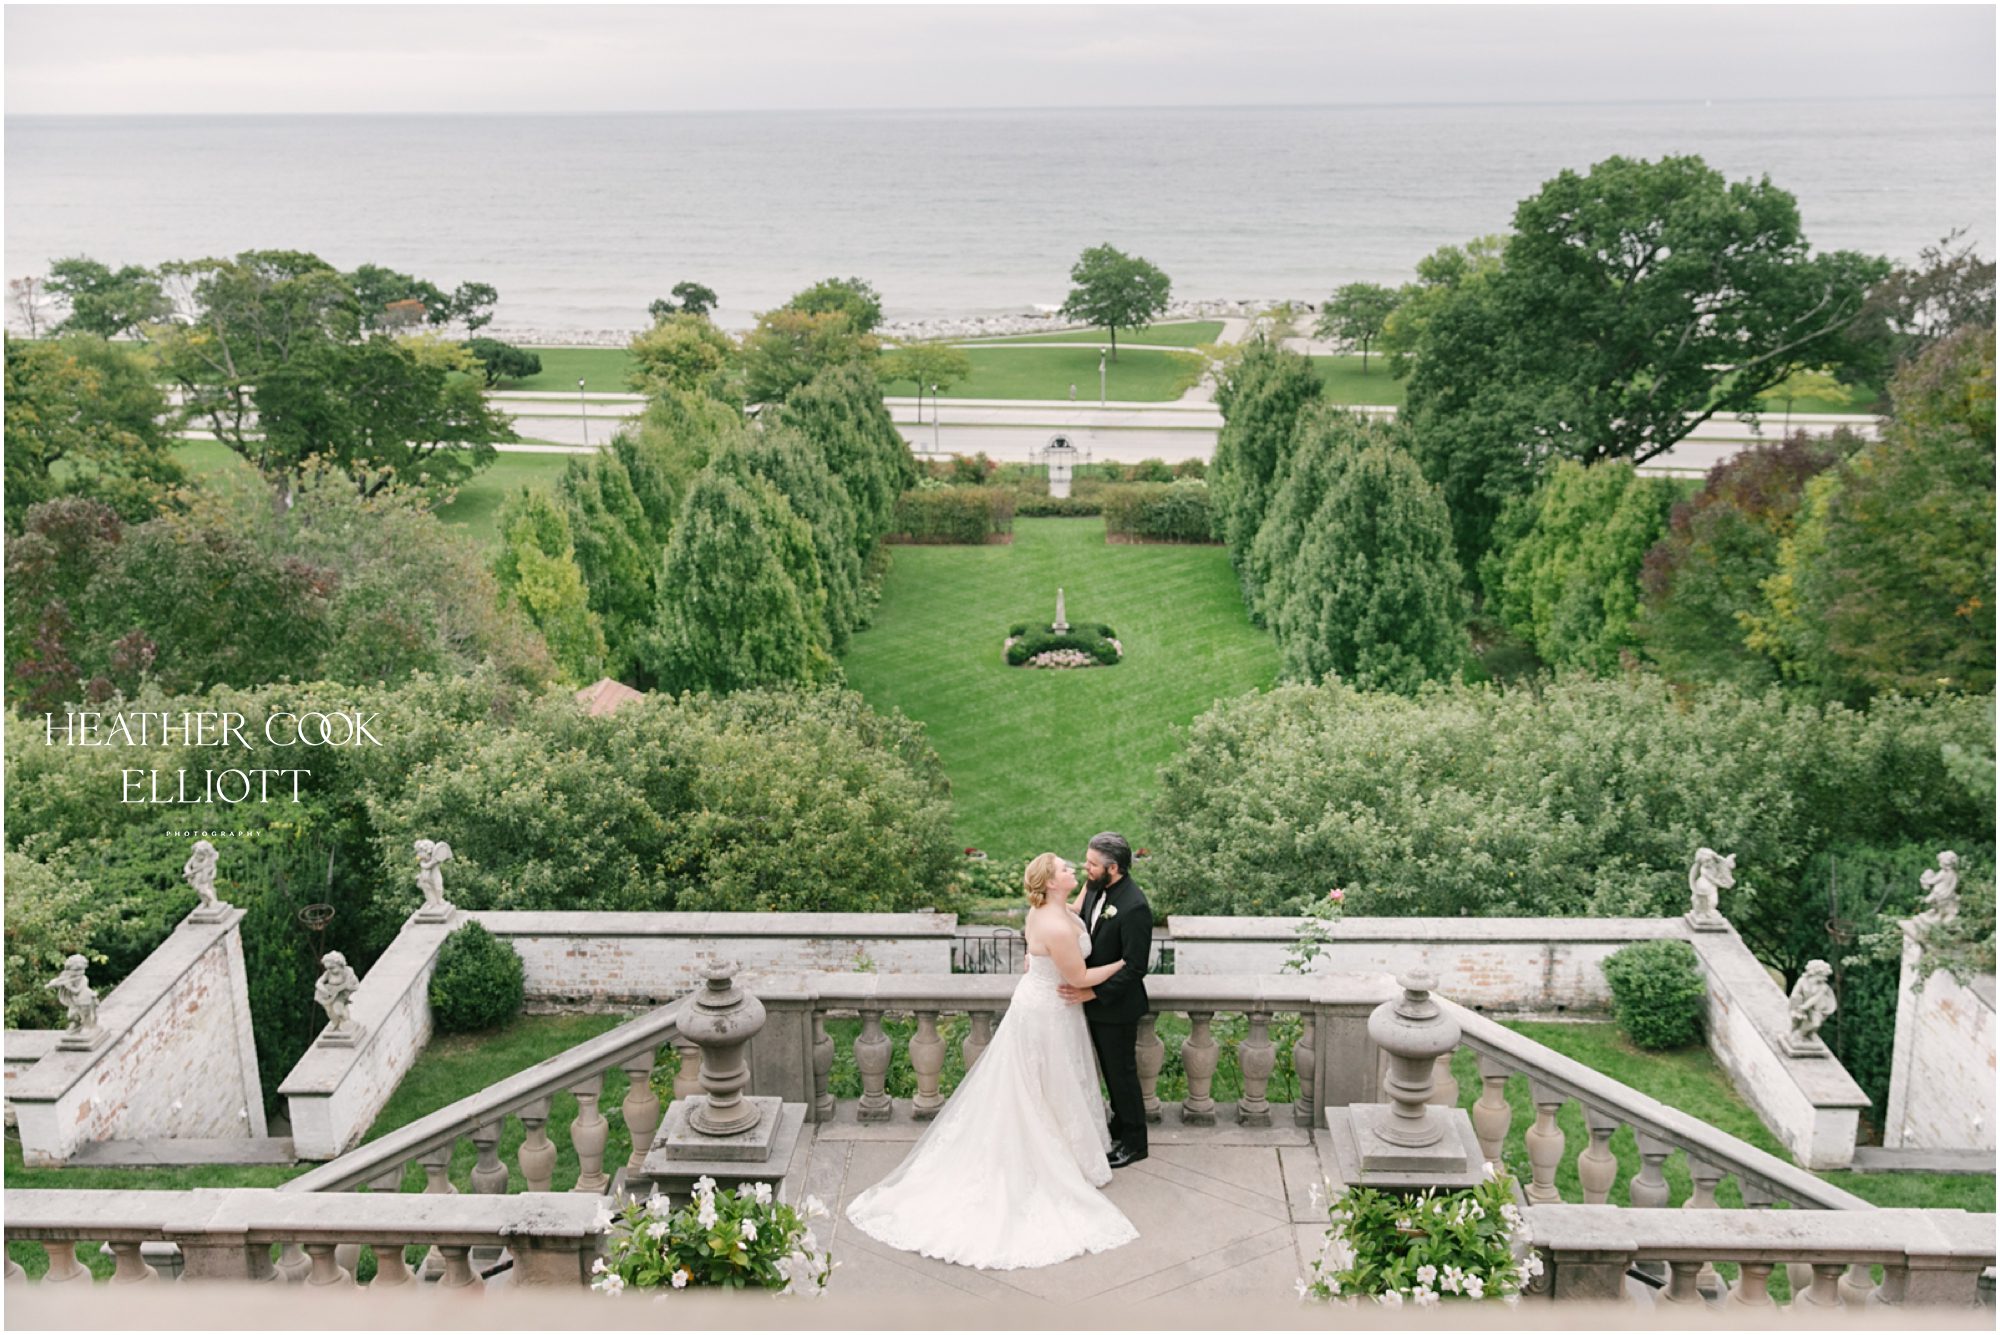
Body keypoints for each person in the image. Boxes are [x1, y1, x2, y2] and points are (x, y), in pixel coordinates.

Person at [845, 853, 1139, 1270]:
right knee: (1044, 1085)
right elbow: (1079, 979)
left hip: (1045, 1005)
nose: (1073, 870)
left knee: (1051, 1083)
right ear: (1051, 883)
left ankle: (1069, 1147)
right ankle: (1050, 1157)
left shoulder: (1048, 909)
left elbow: (1054, 938)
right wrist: (1122, 963)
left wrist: (1092, 889)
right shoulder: (1054, 923)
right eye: (1065, 869)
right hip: (1048, 1014)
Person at [1059, 831, 1154, 1167]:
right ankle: (1117, 1125)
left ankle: (1135, 1142)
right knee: (1109, 1075)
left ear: (1113, 868)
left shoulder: (1135, 906)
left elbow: (1135, 968)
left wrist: (1092, 991)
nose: (1087, 868)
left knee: (1122, 1075)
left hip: (1117, 1008)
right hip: (1094, 1006)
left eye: (1092, 864)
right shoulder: (1098, 890)